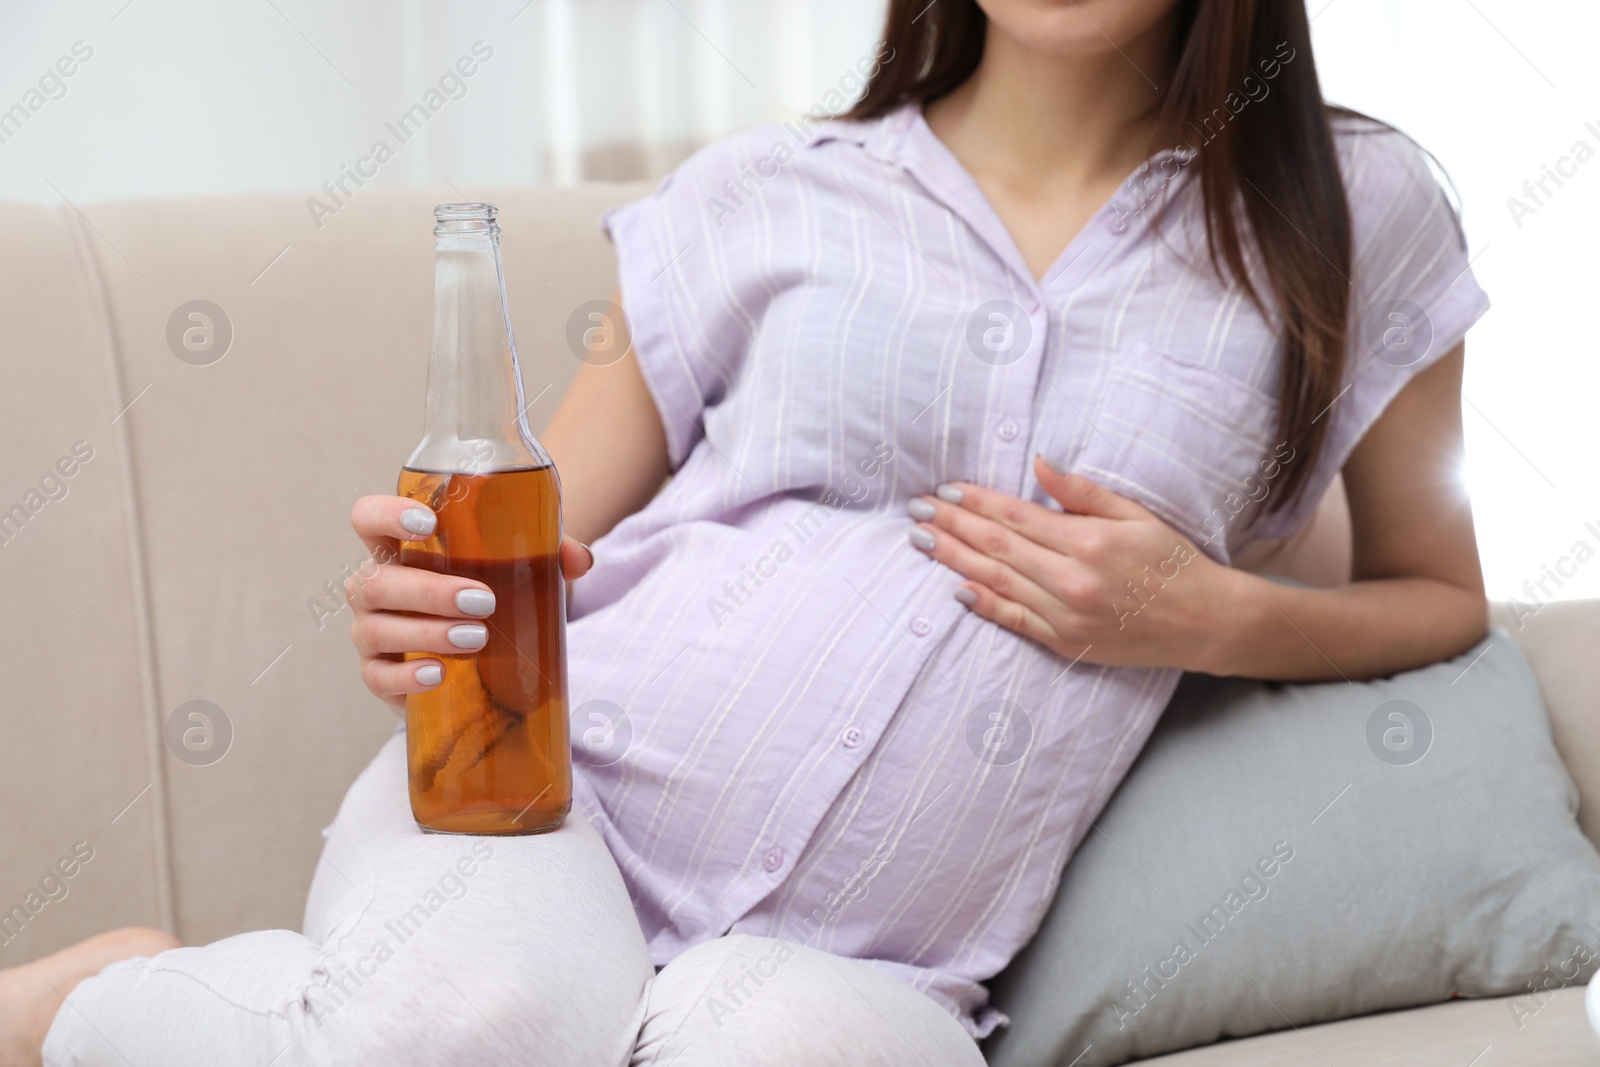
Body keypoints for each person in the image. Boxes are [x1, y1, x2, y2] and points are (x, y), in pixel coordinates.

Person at [6, 0, 1490, 1063]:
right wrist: (407, 610)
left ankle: (253, 1020)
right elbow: (512, 544)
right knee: (485, 1022)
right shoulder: (764, 194)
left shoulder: (1359, 214)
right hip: (554, 796)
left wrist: (1208, 613)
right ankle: (109, 1001)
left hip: (884, 953)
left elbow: (1443, 592)